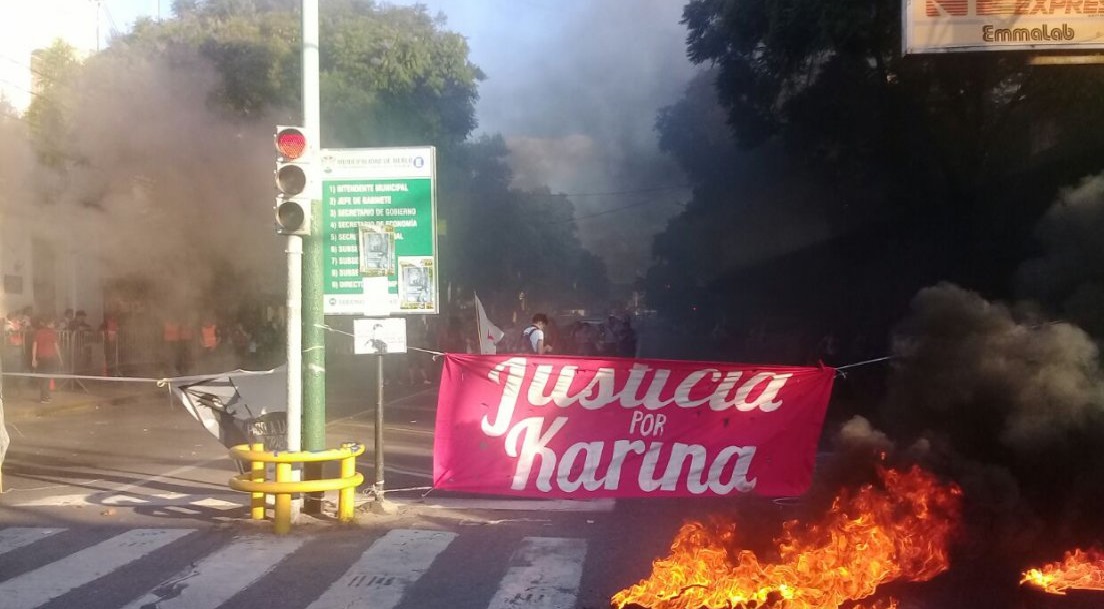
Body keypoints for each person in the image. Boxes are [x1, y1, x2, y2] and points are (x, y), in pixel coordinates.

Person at [32, 318, 63, 403]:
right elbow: (56, 347)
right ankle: (43, 397)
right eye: (53, 323)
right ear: (49, 324)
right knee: (47, 378)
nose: (54, 325)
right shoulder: (52, 333)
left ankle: (46, 395)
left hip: (41, 358)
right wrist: (60, 358)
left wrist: (34, 358)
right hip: (50, 358)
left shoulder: (38, 332)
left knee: (43, 378)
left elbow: (34, 345)